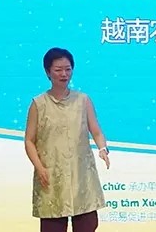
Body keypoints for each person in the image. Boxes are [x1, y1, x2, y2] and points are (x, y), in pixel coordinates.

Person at [24, 47, 110, 232]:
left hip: (81, 175)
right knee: (52, 226)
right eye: (58, 70)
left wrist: (103, 149)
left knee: (87, 224)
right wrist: (39, 167)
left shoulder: (83, 100)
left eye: (68, 69)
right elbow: (29, 140)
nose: (64, 74)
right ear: (48, 72)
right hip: (50, 175)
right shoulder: (38, 103)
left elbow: (96, 131)